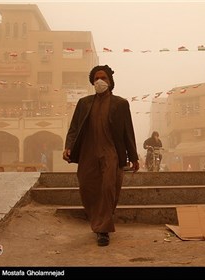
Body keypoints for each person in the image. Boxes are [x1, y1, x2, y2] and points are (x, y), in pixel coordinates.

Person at [63, 65, 139, 247]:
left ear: (110, 81)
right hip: (88, 151)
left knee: (107, 187)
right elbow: (74, 128)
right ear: (92, 81)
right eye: (96, 78)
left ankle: (103, 229)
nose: (100, 81)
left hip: (110, 151)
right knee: (87, 187)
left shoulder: (120, 104)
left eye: (103, 78)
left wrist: (134, 156)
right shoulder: (84, 103)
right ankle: (98, 220)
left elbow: (128, 131)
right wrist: (68, 146)